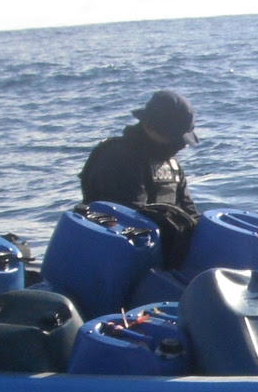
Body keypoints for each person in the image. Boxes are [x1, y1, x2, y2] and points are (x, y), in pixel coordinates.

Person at [79, 89, 201, 266]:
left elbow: (189, 214)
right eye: (174, 137)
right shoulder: (119, 158)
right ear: (149, 127)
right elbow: (128, 222)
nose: (181, 145)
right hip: (117, 260)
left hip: (161, 257)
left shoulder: (171, 165)